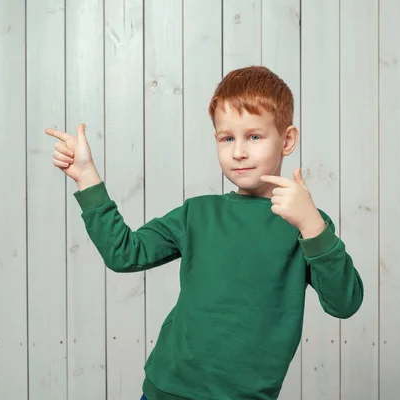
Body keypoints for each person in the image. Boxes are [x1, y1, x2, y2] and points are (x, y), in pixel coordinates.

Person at [46, 66, 364, 400]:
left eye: (254, 136)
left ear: (287, 140)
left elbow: (345, 303)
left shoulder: (309, 224)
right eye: (227, 138)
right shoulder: (197, 214)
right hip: (166, 390)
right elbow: (124, 252)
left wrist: (312, 226)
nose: (238, 152)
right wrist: (86, 178)